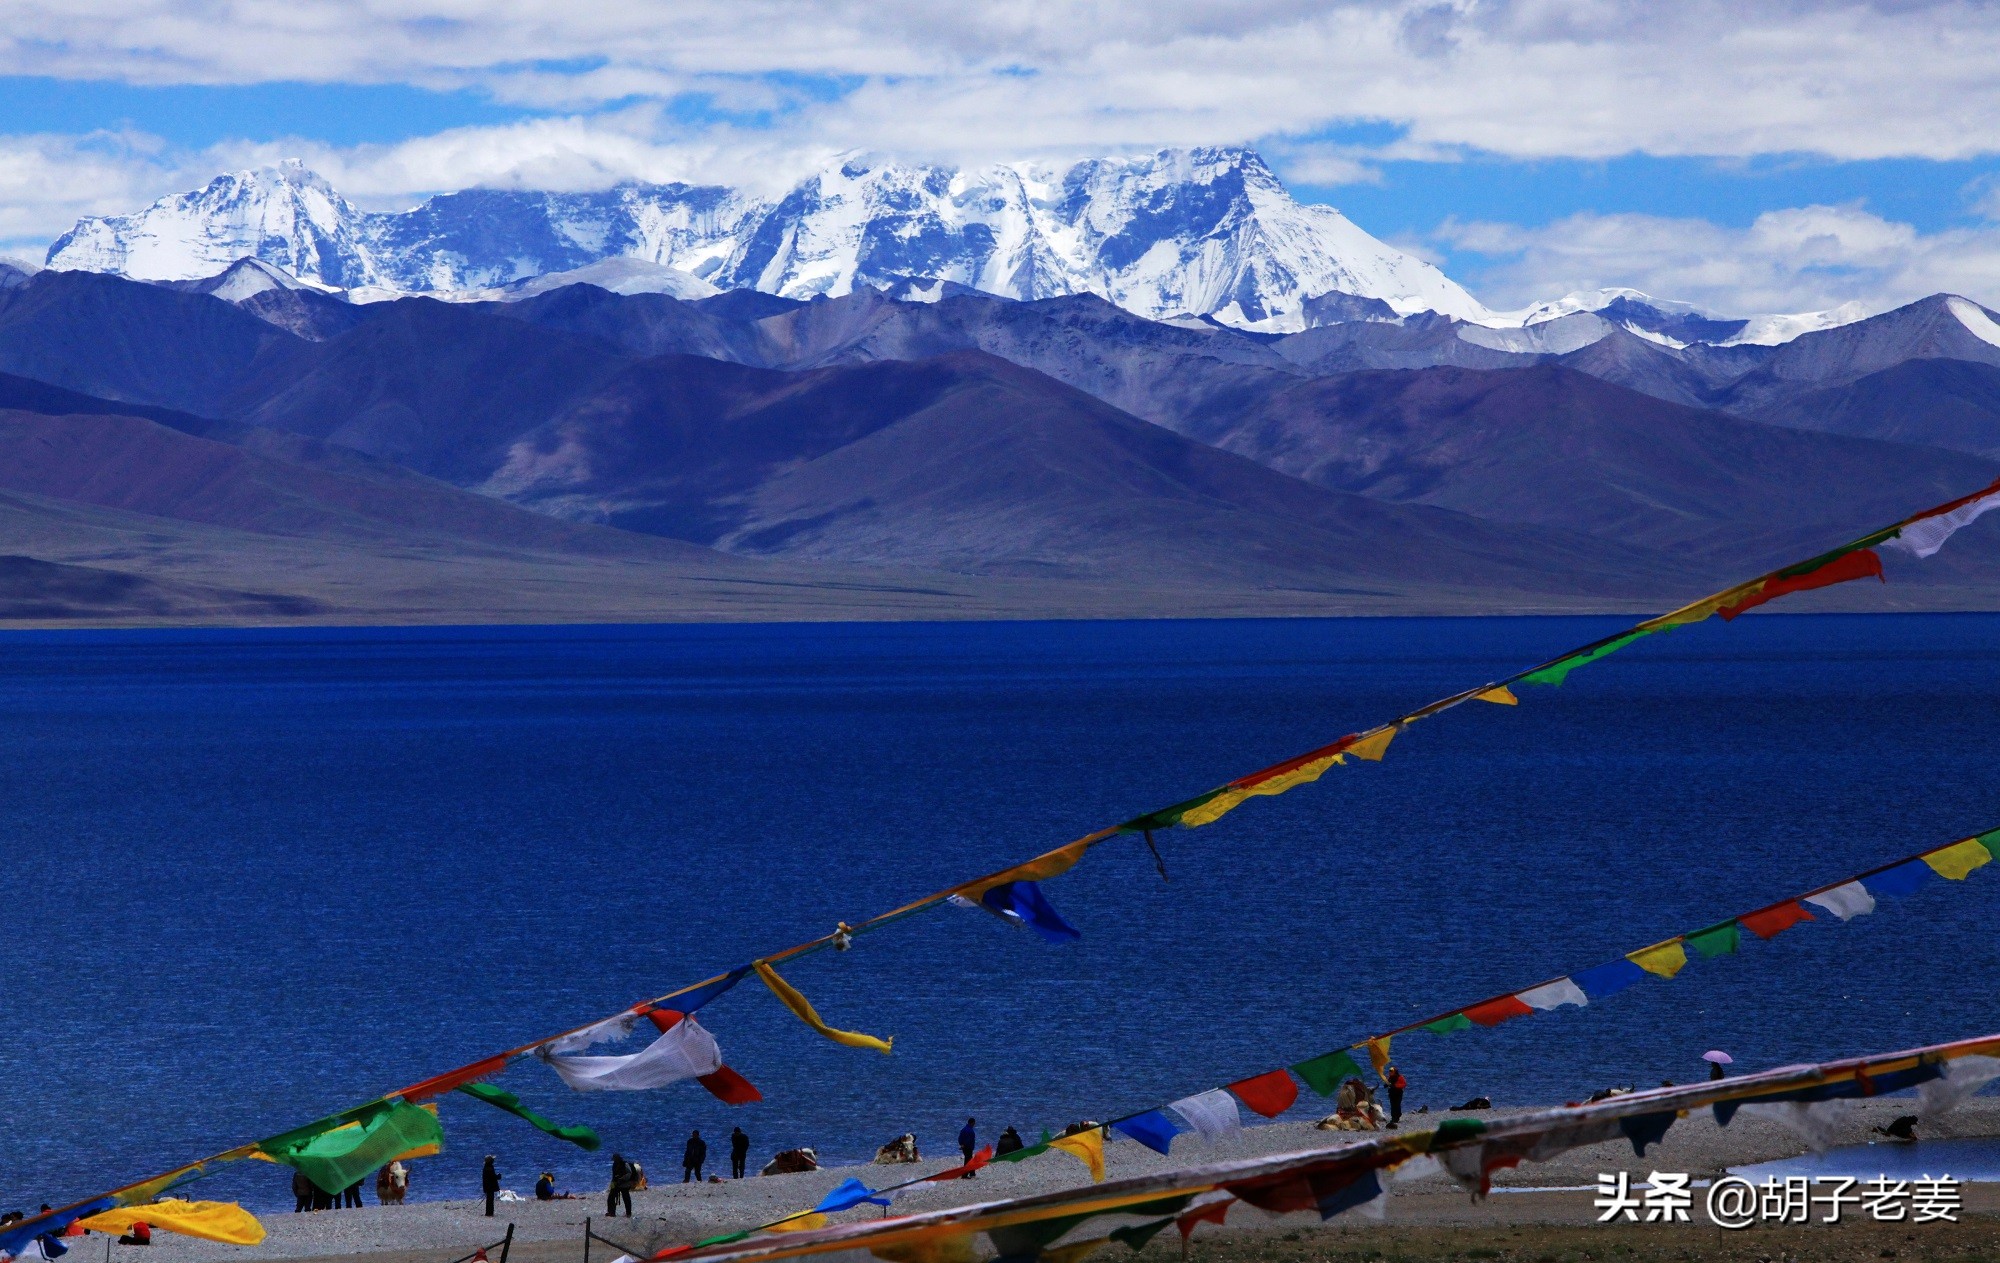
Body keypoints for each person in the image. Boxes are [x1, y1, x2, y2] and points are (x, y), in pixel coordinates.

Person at [606, 1153, 634, 1217]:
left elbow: (629, 1173)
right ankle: (611, 1212)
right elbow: (614, 1175)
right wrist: (612, 1183)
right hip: (616, 1184)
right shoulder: (615, 1165)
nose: (614, 1160)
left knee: (626, 1199)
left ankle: (628, 1213)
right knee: (611, 1198)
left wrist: (622, 1179)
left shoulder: (625, 1164)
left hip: (624, 1184)